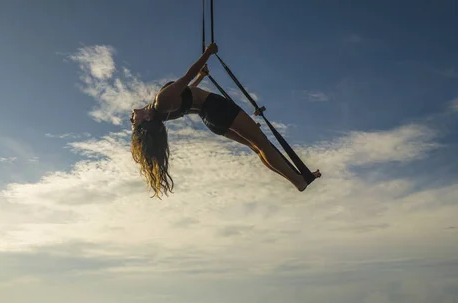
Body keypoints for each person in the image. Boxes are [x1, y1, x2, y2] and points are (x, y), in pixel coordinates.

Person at [130, 43, 321, 198]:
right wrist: (208, 53)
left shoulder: (162, 110)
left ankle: (297, 179)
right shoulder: (160, 102)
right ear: (146, 118)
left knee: (257, 147)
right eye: (134, 122)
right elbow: (186, 78)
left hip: (211, 119)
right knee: (263, 144)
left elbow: (187, 94)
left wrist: (201, 77)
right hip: (215, 108)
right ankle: (298, 181)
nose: (131, 118)